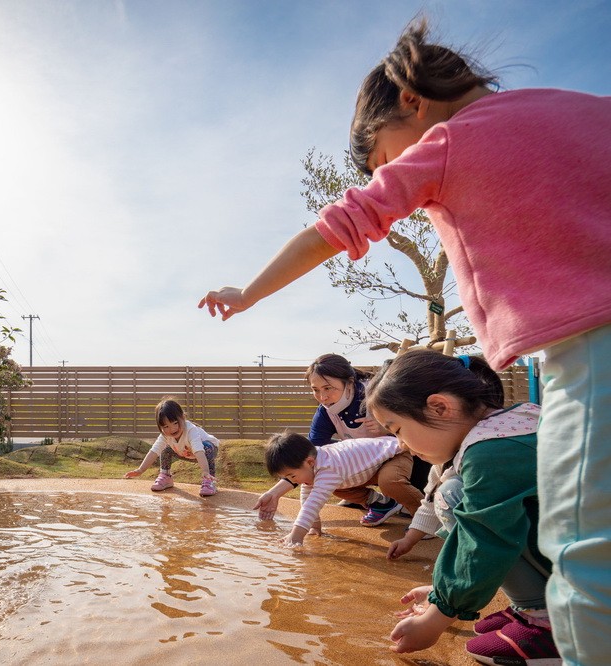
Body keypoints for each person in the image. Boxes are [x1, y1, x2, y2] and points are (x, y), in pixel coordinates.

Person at [198, 18, 610, 664]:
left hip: (591, 347)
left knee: (584, 545)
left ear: (411, 102)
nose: (401, 184)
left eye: (385, 160)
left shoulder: (448, 141)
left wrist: (247, 293)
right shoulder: (583, 108)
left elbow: (336, 226)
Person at [366, 351, 557, 663]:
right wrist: (440, 590)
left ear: (440, 407)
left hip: (596, 579)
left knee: (452, 495)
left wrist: (437, 616)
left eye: (397, 429)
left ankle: (552, 624)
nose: (400, 444)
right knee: (454, 491)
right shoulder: (511, 423)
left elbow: (484, 539)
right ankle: (533, 606)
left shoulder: (490, 452)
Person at [306, 353, 431, 517]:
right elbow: (312, 453)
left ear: (350, 382)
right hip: (366, 461)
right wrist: (278, 490)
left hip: (401, 455)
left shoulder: (378, 394)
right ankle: (378, 502)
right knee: (326, 476)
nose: (323, 397)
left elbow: (420, 427)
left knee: (390, 481)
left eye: (328, 388)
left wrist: (388, 429)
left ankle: (425, 515)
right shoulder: (325, 411)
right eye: (316, 390)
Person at [259, 431, 423, 546]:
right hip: (366, 469)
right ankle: (382, 503)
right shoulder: (315, 465)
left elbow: (313, 503)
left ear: (310, 462)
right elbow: (308, 498)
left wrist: (296, 536)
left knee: (390, 482)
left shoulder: (328, 467)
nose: (294, 482)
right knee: (334, 487)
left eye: (292, 476)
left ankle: (424, 519)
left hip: (395, 454)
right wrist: (314, 527)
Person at [124, 397, 220, 497]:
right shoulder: (165, 436)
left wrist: (205, 471)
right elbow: (154, 451)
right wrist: (140, 470)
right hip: (185, 452)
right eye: (166, 426)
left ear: (183, 417)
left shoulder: (191, 430)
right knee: (165, 448)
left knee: (206, 447)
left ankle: (209, 480)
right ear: (160, 427)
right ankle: (166, 476)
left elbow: (199, 451)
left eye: (175, 423)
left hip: (205, 452)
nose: (172, 429)